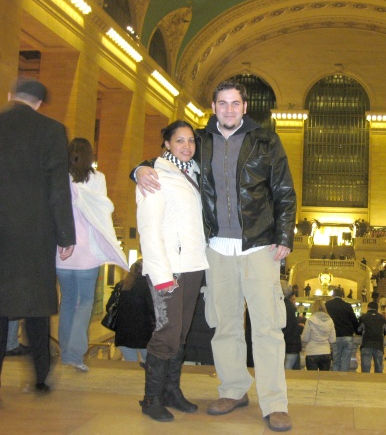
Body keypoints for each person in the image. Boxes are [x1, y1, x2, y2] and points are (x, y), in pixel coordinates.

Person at [134, 82, 297, 432]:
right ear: (213, 106)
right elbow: (171, 158)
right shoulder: (202, 141)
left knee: (268, 327)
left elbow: (284, 190)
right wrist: (140, 168)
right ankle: (234, 389)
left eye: (234, 104)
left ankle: (275, 402)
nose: (228, 110)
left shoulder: (266, 140)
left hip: (259, 247)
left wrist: (284, 235)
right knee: (224, 325)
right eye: (222, 104)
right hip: (217, 249)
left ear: (244, 106)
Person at [0, 78, 76, 394]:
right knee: (37, 306)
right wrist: (65, 235)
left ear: (9, 96)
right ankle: (41, 376)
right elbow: (58, 187)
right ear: (40, 103)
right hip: (35, 232)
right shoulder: (51, 130)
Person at [136, 121, 210, 422]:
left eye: (190, 141)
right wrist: (161, 274)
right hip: (169, 269)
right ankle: (151, 398)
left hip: (192, 266)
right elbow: (148, 229)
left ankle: (171, 391)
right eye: (179, 140)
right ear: (166, 143)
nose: (187, 146)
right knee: (166, 334)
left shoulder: (193, 172)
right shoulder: (155, 174)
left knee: (180, 333)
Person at [56, 138, 128, 372]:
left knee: (67, 302)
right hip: (87, 253)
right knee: (85, 302)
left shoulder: (58, 179)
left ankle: (66, 352)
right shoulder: (97, 179)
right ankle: (75, 354)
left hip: (62, 252)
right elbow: (100, 213)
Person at [107, 259, 155, 364]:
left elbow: (109, 307)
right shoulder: (149, 287)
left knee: (130, 364)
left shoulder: (122, 285)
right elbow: (153, 310)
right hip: (145, 334)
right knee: (149, 364)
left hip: (123, 333)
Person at [325, 291, 359, 371]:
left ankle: (336, 378)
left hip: (335, 335)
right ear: (342, 296)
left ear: (332, 295)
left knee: (336, 360)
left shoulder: (327, 305)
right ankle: (343, 377)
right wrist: (357, 331)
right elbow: (354, 320)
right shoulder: (347, 305)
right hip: (347, 335)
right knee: (346, 360)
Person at [301, 299, 336, 371]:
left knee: (312, 379)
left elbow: (305, 338)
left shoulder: (310, 320)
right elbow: (333, 340)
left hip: (312, 352)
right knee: (324, 379)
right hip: (326, 352)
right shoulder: (330, 320)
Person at [358, 302, 386, 373]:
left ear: (368, 308)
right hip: (379, 345)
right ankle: (377, 383)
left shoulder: (363, 317)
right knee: (379, 368)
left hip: (366, 344)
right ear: (377, 309)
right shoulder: (382, 317)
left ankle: (366, 383)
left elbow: (358, 329)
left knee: (366, 369)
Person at [282, 290, 303, 370]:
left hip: (289, 344)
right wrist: (300, 327)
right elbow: (291, 327)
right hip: (292, 345)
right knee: (289, 368)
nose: (295, 301)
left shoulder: (285, 307)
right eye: (293, 299)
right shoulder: (291, 309)